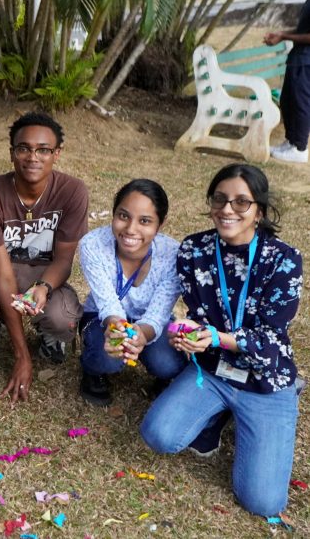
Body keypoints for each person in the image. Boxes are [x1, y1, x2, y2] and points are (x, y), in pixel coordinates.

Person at [140, 164, 302, 518]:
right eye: (220, 199)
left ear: (259, 210)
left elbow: (272, 335)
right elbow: (198, 312)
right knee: (159, 436)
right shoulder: (194, 249)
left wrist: (215, 336)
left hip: (264, 379)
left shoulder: (284, 259)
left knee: (263, 503)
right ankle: (218, 415)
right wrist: (188, 332)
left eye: (241, 202)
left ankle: (287, 393)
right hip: (214, 371)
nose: (228, 209)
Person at [0, 112, 88, 403]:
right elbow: (2, 273)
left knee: (63, 321)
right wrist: (21, 355)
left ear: (57, 154)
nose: (32, 157)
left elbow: (63, 260)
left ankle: (48, 331)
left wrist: (45, 287)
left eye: (43, 150)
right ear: (12, 153)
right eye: (23, 148)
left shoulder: (73, 192)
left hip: (45, 269)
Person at [77, 180, 185, 406]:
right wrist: (117, 330)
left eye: (145, 221)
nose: (130, 229)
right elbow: (107, 303)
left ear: (160, 224)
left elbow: (158, 313)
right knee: (109, 358)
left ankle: (157, 369)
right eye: (123, 216)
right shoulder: (93, 244)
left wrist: (142, 335)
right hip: (103, 319)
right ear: (114, 214)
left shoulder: (174, 255)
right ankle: (92, 370)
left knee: (168, 365)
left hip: (151, 322)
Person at [264, 0, 310, 164]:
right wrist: (282, 35)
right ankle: (291, 142)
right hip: (298, 59)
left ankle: (300, 148)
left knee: (300, 103)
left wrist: (284, 36)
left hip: (306, 62)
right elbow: (303, 32)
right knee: (288, 101)